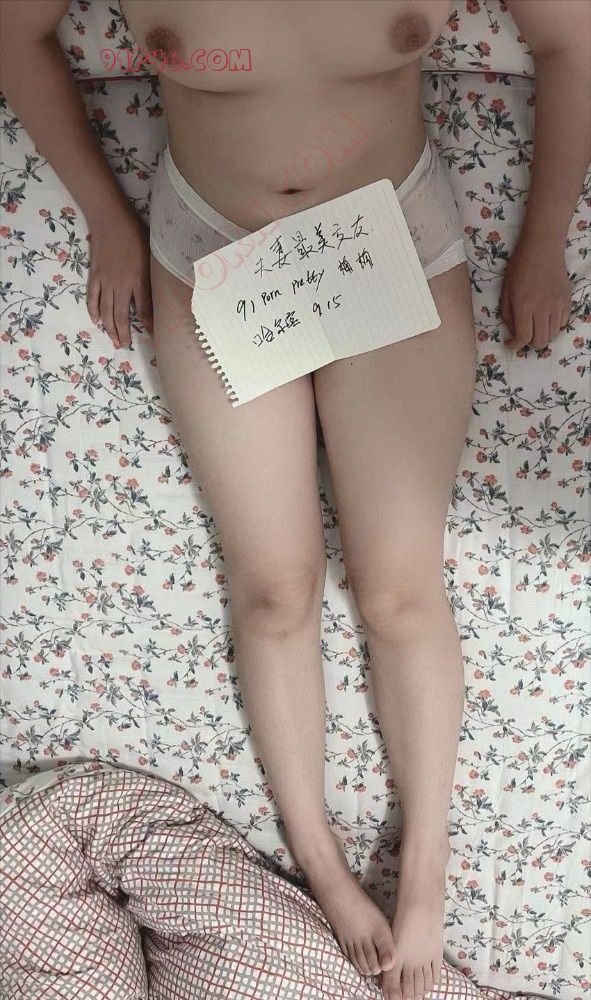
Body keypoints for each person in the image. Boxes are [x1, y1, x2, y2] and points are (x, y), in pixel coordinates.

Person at [0, 3, 588, 999]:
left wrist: (545, 237)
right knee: (274, 591)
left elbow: (573, 36)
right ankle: (320, 863)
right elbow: (13, 31)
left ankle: (425, 875)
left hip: (390, 235)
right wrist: (104, 215)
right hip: (211, 249)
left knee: (400, 591)